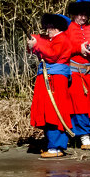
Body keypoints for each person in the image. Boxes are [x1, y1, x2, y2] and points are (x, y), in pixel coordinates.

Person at [27, 13, 78, 159]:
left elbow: (52, 54)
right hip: (50, 78)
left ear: (57, 28)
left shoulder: (62, 39)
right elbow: (41, 42)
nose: (47, 30)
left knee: (54, 112)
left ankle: (56, 147)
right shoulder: (54, 39)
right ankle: (54, 145)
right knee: (50, 111)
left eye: (50, 27)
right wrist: (33, 42)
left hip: (56, 79)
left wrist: (36, 44)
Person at [64, 0, 90, 150]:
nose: (82, 17)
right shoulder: (67, 28)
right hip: (74, 73)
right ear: (74, 14)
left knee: (87, 106)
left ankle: (79, 135)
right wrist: (78, 49)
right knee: (77, 106)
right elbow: (62, 48)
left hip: (89, 73)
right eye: (79, 14)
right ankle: (83, 137)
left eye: (85, 14)